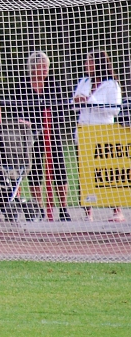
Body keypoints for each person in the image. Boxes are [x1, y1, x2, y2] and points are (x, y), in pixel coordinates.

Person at [14, 51, 71, 221]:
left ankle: (63, 208)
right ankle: (38, 207)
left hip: (51, 130)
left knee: (59, 168)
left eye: (47, 66)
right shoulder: (23, 84)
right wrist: (24, 121)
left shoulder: (53, 84)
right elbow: (18, 108)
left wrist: (52, 122)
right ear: (33, 67)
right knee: (35, 168)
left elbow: (60, 109)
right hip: (31, 133)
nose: (45, 69)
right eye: (41, 66)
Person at [73, 49, 123, 222]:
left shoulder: (112, 85)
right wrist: (78, 101)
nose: (87, 65)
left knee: (108, 171)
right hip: (84, 130)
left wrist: (90, 100)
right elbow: (75, 104)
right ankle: (88, 212)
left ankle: (117, 210)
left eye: (90, 62)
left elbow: (115, 109)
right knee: (85, 172)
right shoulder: (84, 81)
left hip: (103, 131)